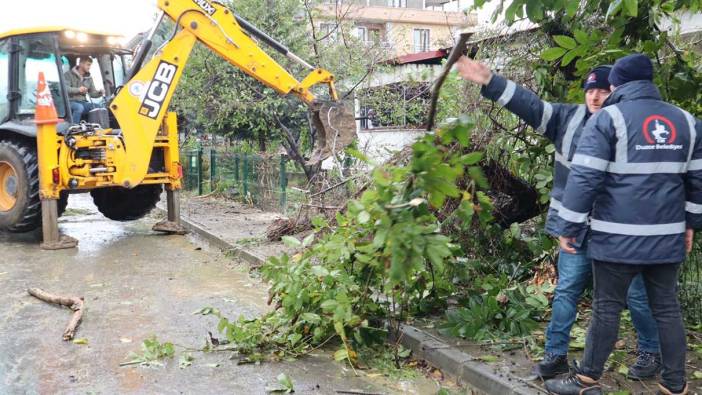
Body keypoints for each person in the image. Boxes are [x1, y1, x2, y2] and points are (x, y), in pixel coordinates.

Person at [456, 57, 661, 380]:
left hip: (621, 230)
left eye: (604, 91)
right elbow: (530, 105)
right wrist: (489, 80)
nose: (595, 96)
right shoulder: (567, 118)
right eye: (590, 90)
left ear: (618, 93)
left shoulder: (629, 125)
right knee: (566, 291)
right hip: (576, 229)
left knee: (636, 293)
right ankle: (554, 356)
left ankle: (651, 352)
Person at [546, 53, 702, 395]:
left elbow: (585, 178)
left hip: (617, 240)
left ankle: (586, 378)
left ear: (616, 84)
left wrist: (568, 226)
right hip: (666, 238)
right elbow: (697, 181)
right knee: (667, 308)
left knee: (606, 309)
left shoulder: (608, 120)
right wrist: (691, 224)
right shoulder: (687, 122)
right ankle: (675, 384)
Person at [64, 56, 104, 123]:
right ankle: (74, 127)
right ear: (81, 64)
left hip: (83, 102)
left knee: (98, 107)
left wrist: (99, 93)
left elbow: (92, 94)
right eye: (88, 65)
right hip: (70, 102)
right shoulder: (68, 75)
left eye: (90, 65)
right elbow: (66, 89)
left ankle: (95, 128)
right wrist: (78, 90)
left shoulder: (89, 78)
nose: (89, 67)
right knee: (79, 108)